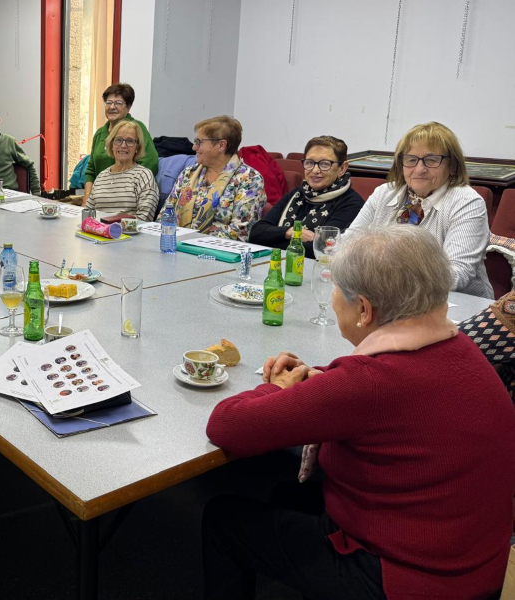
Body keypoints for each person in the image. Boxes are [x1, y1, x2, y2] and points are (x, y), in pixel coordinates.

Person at [202, 226, 515, 600]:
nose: (335, 299)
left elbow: (226, 425)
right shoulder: (458, 347)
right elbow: (388, 404)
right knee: (288, 493)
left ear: (364, 310)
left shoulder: (368, 382)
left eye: (337, 290)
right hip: (474, 563)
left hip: (407, 580)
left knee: (224, 520)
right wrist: (320, 382)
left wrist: (277, 388)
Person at [346, 121, 491, 298]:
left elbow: (457, 275)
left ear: (452, 166)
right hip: (386, 297)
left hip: (454, 304)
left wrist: (381, 273)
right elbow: (346, 245)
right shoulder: (384, 193)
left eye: (431, 160)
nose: (420, 169)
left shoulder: (467, 202)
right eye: (411, 159)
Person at [249, 135, 363, 258]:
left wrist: (274, 239)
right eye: (309, 163)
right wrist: (290, 232)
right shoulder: (297, 194)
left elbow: (321, 250)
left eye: (325, 164)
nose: (314, 170)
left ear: (342, 168)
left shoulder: (352, 204)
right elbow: (256, 233)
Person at [163, 115, 266, 240]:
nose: (194, 147)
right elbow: (165, 214)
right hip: (175, 244)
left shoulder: (249, 179)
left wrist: (191, 241)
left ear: (221, 145)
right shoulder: (189, 173)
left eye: (199, 142)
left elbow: (240, 232)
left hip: (218, 254)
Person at [81, 83, 158, 205]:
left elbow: (151, 162)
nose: (112, 107)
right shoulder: (100, 133)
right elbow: (90, 170)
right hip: (101, 199)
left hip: (126, 200)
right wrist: (87, 197)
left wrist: (123, 190)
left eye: (118, 103)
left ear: (128, 107)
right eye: (108, 102)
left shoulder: (137, 128)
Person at [84, 120, 159, 221]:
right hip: (97, 233)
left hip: (127, 234)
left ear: (137, 147)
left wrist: (113, 230)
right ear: (111, 144)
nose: (123, 145)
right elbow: (88, 213)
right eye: (118, 140)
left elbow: (144, 218)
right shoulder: (101, 176)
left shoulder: (144, 175)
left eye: (130, 141)